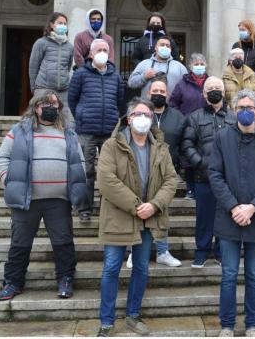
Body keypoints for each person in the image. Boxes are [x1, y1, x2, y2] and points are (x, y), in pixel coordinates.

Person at [0, 90, 90, 301]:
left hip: (58, 200)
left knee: (63, 242)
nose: (51, 107)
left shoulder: (68, 133)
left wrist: (77, 181)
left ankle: (65, 279)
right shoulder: (19, 130)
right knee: (20, 243)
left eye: (55, 104)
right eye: (46, 103)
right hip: (26, 199)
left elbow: (80, 161)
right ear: (36, 107)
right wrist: (8, 180)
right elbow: (3, 155)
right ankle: (13, 282)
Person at [96, 99, 178, 337]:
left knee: (141, 268)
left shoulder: (161, 148)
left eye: (147, 114)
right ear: (129, 118)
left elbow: (171, 180)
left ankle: (133, 315)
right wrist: (136, 206)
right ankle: (107, 321)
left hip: (148, 218)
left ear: (152, 119)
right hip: (119, 216)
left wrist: (154, 205)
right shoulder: (112, 145)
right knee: (111, 268)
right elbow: (106, 181)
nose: (142, 117)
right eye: (137, 113)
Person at [207, 89, 255, 337]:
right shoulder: (222, 138)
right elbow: (215, 175)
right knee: (228, 274)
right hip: (228, 218)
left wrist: (252, 207)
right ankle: (227, 325)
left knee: (254, 274)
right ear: (234, 110)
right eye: (241, 108)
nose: (246, 112)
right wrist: (234, 206)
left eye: (250, 108)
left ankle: (252, 324)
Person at [67, 39, 126, 222]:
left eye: (105, 50)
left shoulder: (115, 76)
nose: (102, 53)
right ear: (91, 54)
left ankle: (109, 206)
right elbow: (72, 99)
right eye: (99, 50)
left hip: (109, 130)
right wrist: (81, 116)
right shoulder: (81, 74)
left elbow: (120, 101)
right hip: (87, 131)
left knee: (110, 171)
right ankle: (85, 208)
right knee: (87, 171)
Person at [181, 77, 236, 268]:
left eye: (217, 88)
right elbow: (187, 145)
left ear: (224, 92)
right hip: (203, 177)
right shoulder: (194, 117)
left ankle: (221, 252)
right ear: (203, 94)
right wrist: (201, 163)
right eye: (210, 88)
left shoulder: (233, 118)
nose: (214, 91)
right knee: (204, 218)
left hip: (228, 180)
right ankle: (202, 252)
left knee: (225, 216)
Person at [147, 79, 185, 267]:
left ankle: (162, 251)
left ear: (168, 95)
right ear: (148, 93)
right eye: (155, 90)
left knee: (161, 211)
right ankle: (134, 251)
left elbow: (183, 144)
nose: (159, 94)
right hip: (142, 170)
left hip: (167, 172)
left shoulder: (178, 117)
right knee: (138, 211)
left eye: (162, 91)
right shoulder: (140, 114)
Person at [170, 53, 209, 199]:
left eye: (202, 63)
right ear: (190, 67)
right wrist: (181, 119)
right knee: (188, 159)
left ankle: (202, 188)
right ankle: (191, 188)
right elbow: (173, 103)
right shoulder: (182, 84)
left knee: (204, 157)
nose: (199, 66)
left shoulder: (210, 82)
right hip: (188, 126)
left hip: (207, 125)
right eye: (196, 64)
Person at [28, 12, 74, 121]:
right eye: (60, 23)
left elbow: (67, 67)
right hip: (43, 88)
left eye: (64, 23)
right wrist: (33, 87)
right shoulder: (41, 43)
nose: (63, 25)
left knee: (64, 122)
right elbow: (33, 66)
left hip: (63, 91)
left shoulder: (69, 46)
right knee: (41, 120)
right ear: (52, 25)